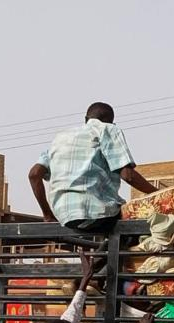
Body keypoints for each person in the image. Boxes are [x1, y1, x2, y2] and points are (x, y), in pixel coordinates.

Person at [28, 102, 157, 248]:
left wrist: (48, 215)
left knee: (117, 227)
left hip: (64, 216)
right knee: (143, 220)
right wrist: (159, 193)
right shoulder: (108, 129)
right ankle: (103, 261)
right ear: (111, 121)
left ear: (85, 119)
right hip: (95, 213)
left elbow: (34, 174)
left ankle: (102, 256)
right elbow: (128, 176)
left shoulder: (60, 138)